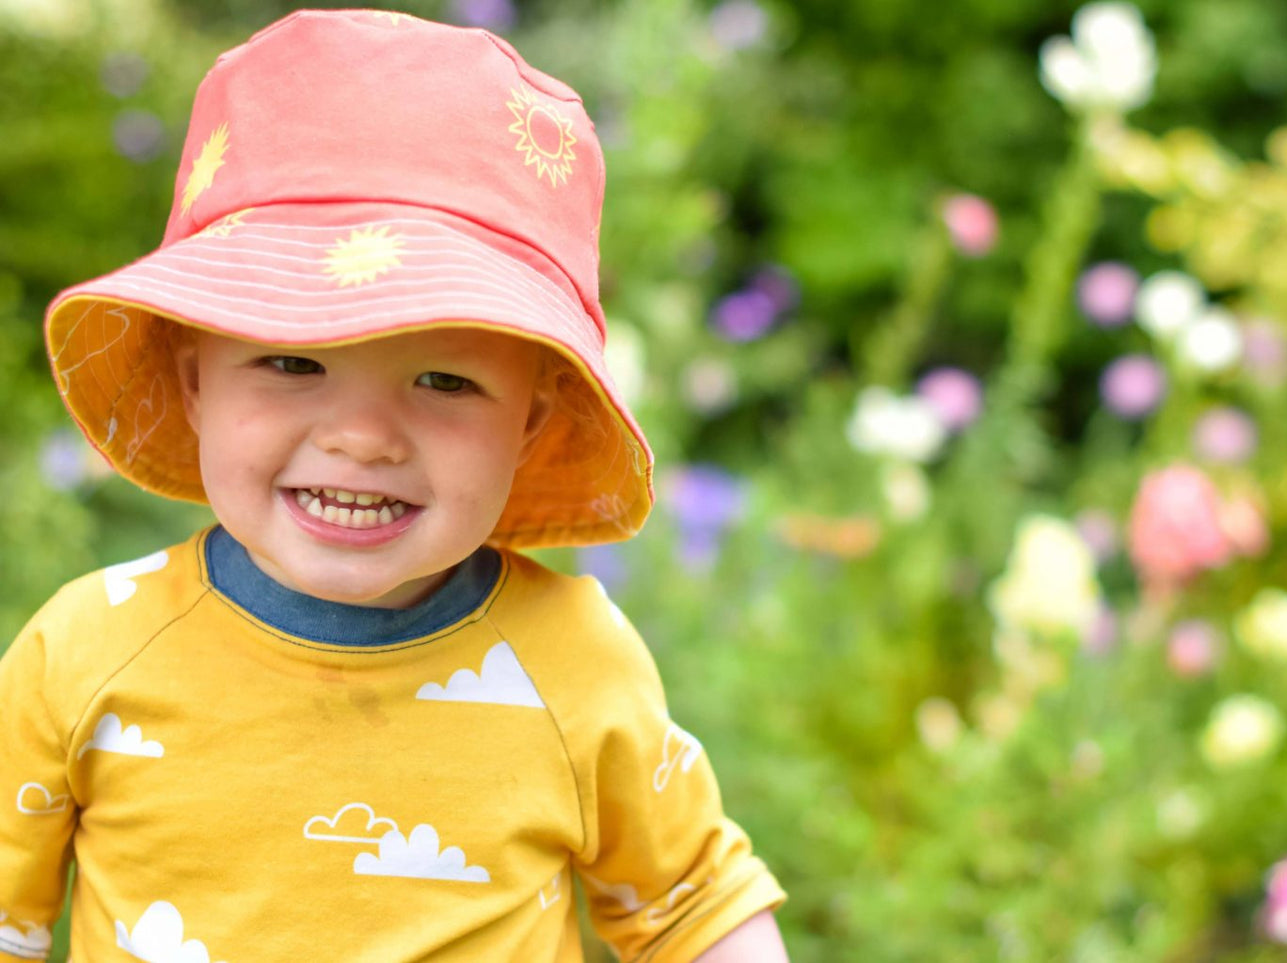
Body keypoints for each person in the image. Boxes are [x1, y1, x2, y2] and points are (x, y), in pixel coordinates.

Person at [0, 10, 787, 962]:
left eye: (445, 381)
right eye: (292, 362)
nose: (361, 438)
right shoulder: (84, 654)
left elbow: (694, 908)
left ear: (533, 418)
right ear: (194, 379)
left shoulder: (573, 662)